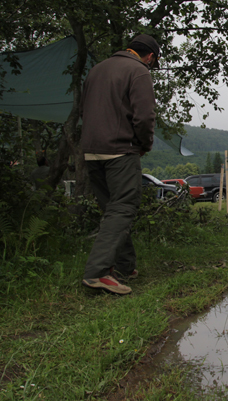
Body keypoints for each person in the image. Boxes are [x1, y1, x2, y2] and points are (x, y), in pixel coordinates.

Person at [80, 34, 161, 295]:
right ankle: (97, 272)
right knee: (123, 207)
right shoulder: (138, 70)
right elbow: (145, 116)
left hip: (91, 151)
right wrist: (143, 144)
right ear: (150, 56)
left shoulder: (96, 69)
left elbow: (83, 109)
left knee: (112, 210)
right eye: (153, 62)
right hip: (119, 150)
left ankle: (125, 266)